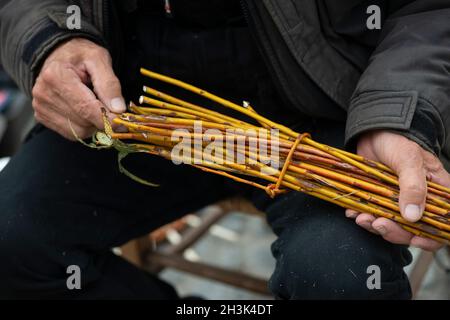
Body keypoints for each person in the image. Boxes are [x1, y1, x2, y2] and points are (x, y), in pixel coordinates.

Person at [0, 0, 449, 299]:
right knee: (12, 244)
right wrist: (52, 40)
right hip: (135, 106)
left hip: (322, 103)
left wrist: (396, 114)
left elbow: (429, 9)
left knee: (339, 279)